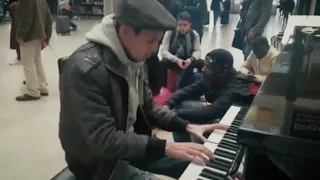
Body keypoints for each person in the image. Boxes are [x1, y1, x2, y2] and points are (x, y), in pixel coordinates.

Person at [59, 0, 230, 179]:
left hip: (131, 147)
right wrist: (164, 146)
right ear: (125, 31)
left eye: (157, 41)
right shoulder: (85, 70)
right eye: (150, 41)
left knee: (201, 163)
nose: (154, 49)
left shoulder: (134, 57)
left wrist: (187, 126)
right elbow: (103, 139)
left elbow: (149, 107)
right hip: (100, 163)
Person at [163, 49, 248, 142]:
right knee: (179, 104)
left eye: (208, 67)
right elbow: (187, 91)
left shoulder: (237, 86)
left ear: (224, 69)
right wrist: (168, 105)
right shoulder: (214, 77)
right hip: (215, 117)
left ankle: (192, 146)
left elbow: (211, 112)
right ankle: (183, 146)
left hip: (231, 127)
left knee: (178, 115)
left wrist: (175, 114)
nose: (203, 69)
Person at [15, 0, 52, 101]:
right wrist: (47, 36)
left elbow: (26, 19)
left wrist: (21, 35)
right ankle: (41, 86)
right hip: (39, 34)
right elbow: (48, 17)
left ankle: (33, 91)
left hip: (29, 35)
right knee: (37, 60)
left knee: (28, 63)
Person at [160, 11, 203, 89]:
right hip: (173, 59)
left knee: (202, 63)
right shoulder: (170, 32)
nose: (182, 27)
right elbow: (163, 51)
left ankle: (199, 88)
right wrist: (176, 60)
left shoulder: (194, 34)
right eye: (180, 24)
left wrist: (189, 60)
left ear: (190, 25)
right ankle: (163, 87)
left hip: (188, 60)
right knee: (162, 62)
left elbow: (198, 51)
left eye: (185, 25)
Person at [8, 0, 20, 65]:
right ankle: (20, 57)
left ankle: (20, 57)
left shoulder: (15, 5)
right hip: (15, 5)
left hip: (15, 5)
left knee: (16, 36)